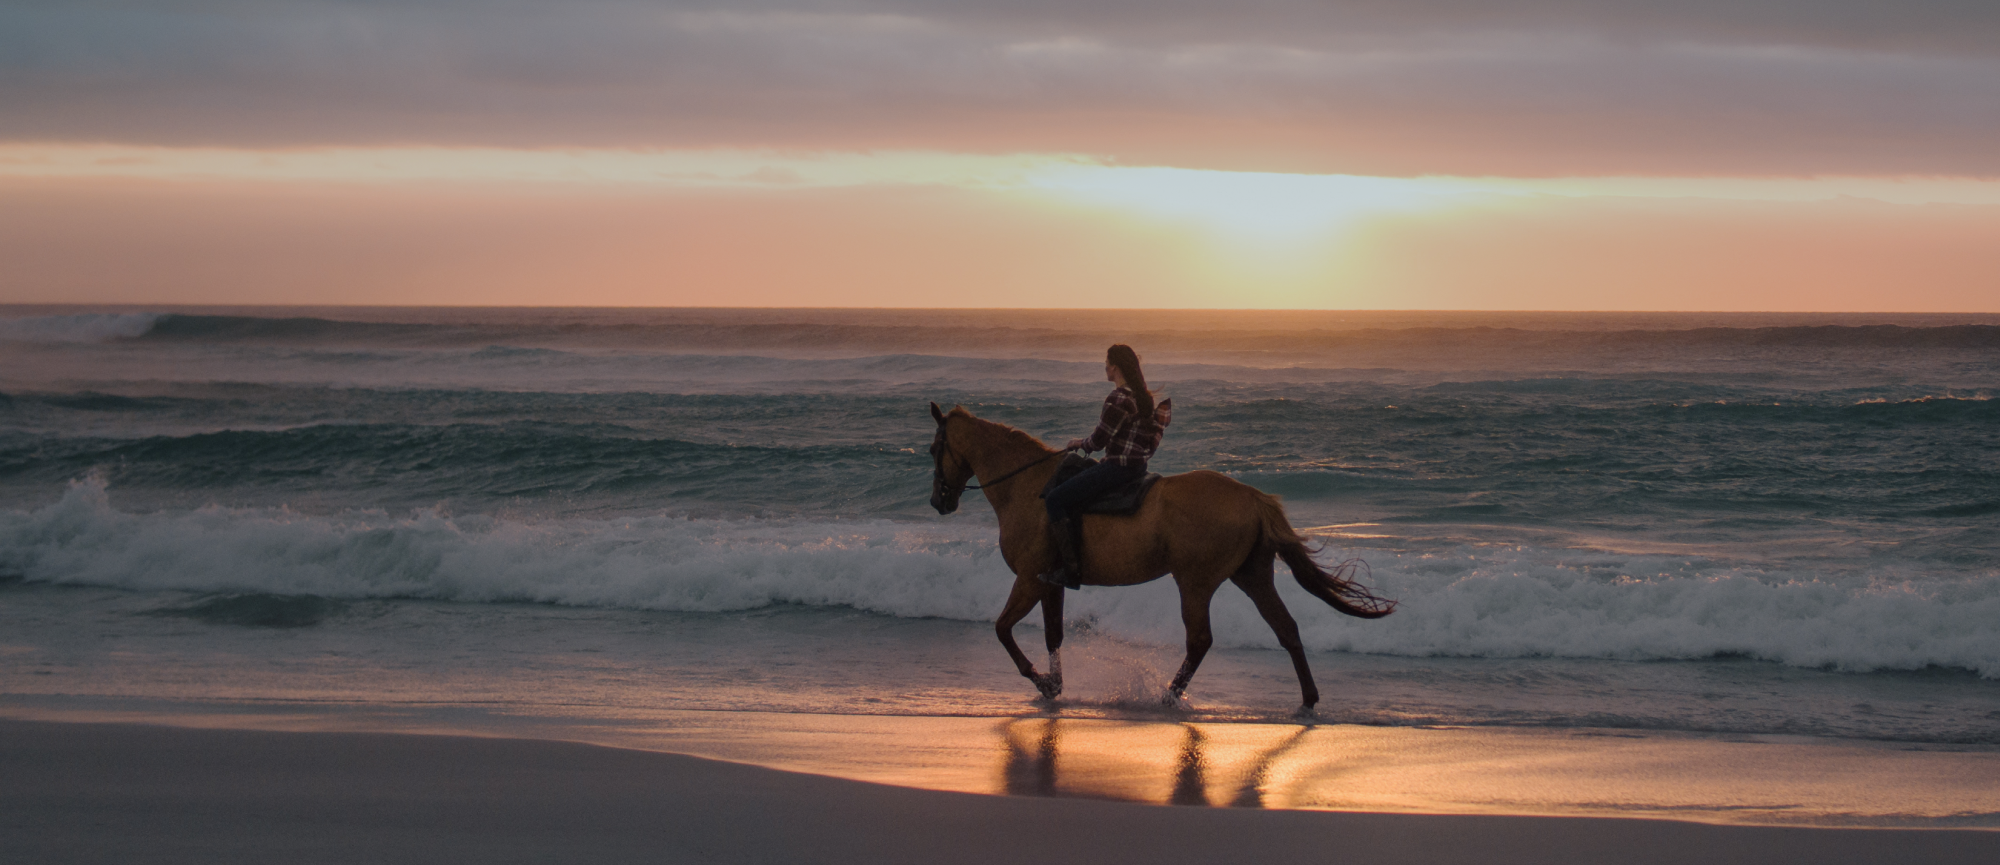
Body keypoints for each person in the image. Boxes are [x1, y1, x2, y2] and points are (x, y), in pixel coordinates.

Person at [1041, 344, 1171, 589]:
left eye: (1107, 362)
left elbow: (1099, 440)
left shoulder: (1118, 397)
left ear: (1115, 367)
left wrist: (1078, 443)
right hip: (1137, 469)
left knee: (1055, 500)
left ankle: (1070, 570)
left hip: (1116, 469)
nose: (1104, 367)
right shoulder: (1142, 396)